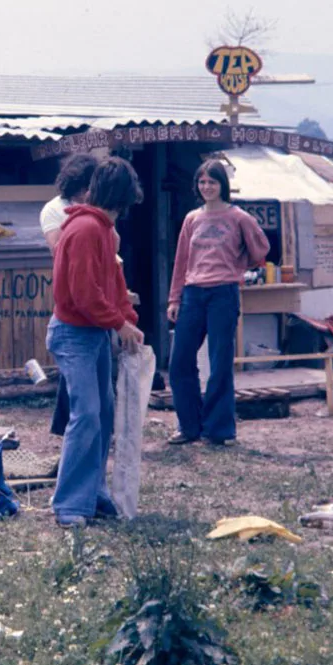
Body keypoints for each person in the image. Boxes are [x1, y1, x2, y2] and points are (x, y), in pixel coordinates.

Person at [47, 156, 144, 529]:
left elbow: (113, 286)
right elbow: (84, 294)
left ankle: (94, 492)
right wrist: (119, 324)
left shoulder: (103, 230)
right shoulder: (87, 229)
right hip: (73, 333)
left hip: (93, 332)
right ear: (124, 196)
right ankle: (69, 503)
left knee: (102, 414)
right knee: (86, 415)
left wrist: (128, 321)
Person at [166, 162, 269, 446]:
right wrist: (174, 298)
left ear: (222, 184)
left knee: (219, 363)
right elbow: (181, 262)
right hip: (193, 294)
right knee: (179, 362)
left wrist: (239, 265)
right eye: (202, 182)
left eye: (212, 182)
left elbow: (260, 248)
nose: (207, 187)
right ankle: (189, 427)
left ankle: (218, 430)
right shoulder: (191, 219)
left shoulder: (239, 218)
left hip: (223, 293)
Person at [40, 153, 99, 436]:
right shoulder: (54, 209)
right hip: (70, 289)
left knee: (83, 377)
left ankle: (71, 427)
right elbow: (58, 247)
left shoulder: (96, 208)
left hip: (96, 287)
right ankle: (67, 427)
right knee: (76, 373)